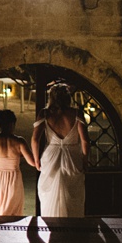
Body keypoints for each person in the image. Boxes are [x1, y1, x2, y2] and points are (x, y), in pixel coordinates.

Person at [31, 81, 89, 217]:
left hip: (51, 155)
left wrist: (36, 160)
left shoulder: (45, 114)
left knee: (49, 192)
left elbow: (35, 140)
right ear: (68, 98)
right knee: (73, 192)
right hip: (72, 155)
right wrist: (85, 160)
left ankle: (51, 223)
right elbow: (85, 140)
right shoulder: (76, 113)